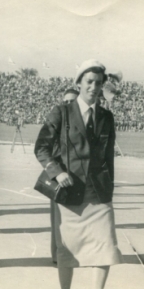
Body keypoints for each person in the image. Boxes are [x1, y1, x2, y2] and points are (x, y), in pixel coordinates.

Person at [35, 60, 122, 289]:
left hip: (98, 193)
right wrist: (56, 171)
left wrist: (109, 188)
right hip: (69, 191)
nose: (94, 87)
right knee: (67, 251)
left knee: (107, 248)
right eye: (89, 82)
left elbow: (109, 158)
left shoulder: (107, 116)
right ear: (79, 83)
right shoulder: (61, 111)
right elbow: (41, 147)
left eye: (98, 83)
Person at [50, 88, 79, 264]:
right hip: (61, 176)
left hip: (80, 177)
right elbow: (47, 149)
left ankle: (73, 254)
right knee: (58, 220)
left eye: (72, 101)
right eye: (65, 101)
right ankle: (57, 256)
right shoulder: (57, 121)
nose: (68, 105)